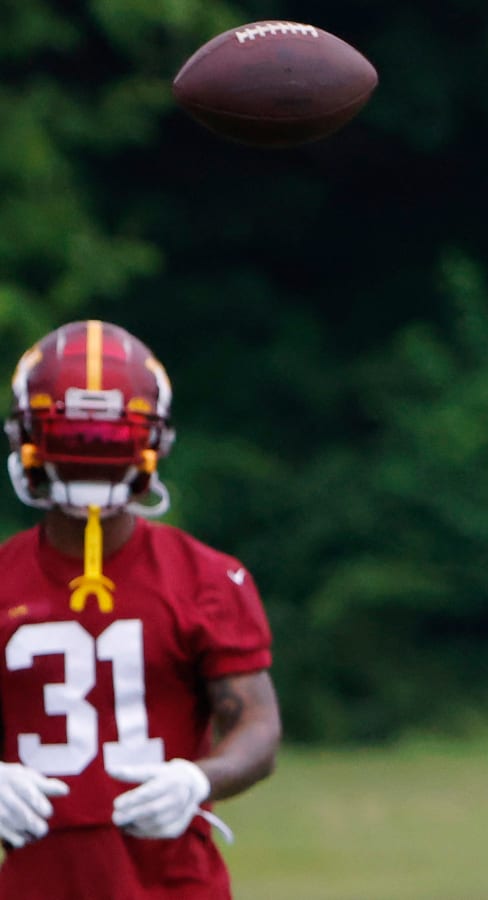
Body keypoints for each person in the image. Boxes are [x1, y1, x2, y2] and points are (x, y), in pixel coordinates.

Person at [0, 320, 282, 899]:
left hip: (173, 885)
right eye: (74, 443)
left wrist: (196, 779)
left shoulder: (205, 577)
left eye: (106, 442)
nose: (91, 460)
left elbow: (257, 725)